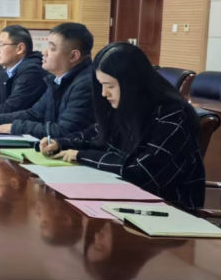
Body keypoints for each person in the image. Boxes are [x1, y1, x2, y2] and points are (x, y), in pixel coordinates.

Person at [39, 42, 205, 210]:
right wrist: (61, 143)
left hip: (167, 209)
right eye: (101, 85)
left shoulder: (173, 115)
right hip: (124, 199)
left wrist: (80, 155)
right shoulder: (128, 105)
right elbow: (97, 135)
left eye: (110, 86)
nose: (104, 93)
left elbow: (139, 171)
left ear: (132, 83)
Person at [0, 22, 95, 139]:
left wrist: (15, 127)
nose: (44, 52)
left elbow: (64, 132)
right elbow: (35, 113)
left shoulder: (85, 85)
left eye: (52, 48)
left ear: (73, 56)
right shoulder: (56, 80)